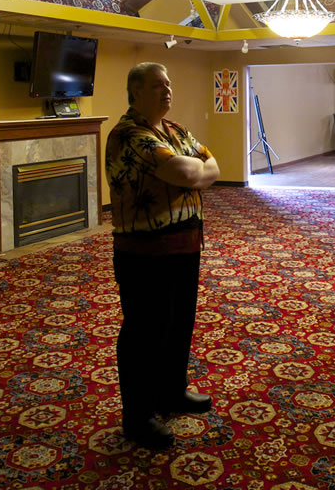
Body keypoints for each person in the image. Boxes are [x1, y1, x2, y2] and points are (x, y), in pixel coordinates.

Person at [104, 62, 220, 449]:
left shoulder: (174, 130)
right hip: (144, 254)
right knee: (144, 333)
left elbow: (212, 166)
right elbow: (187, 172)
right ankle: (137, 416)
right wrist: (194, 172)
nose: (167, 91)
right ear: (135, 92)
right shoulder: (128, 135)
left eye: (168, 84)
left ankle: (172, 391)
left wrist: (195, 171)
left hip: (184, 247)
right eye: (157, 86)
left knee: (178, 325)